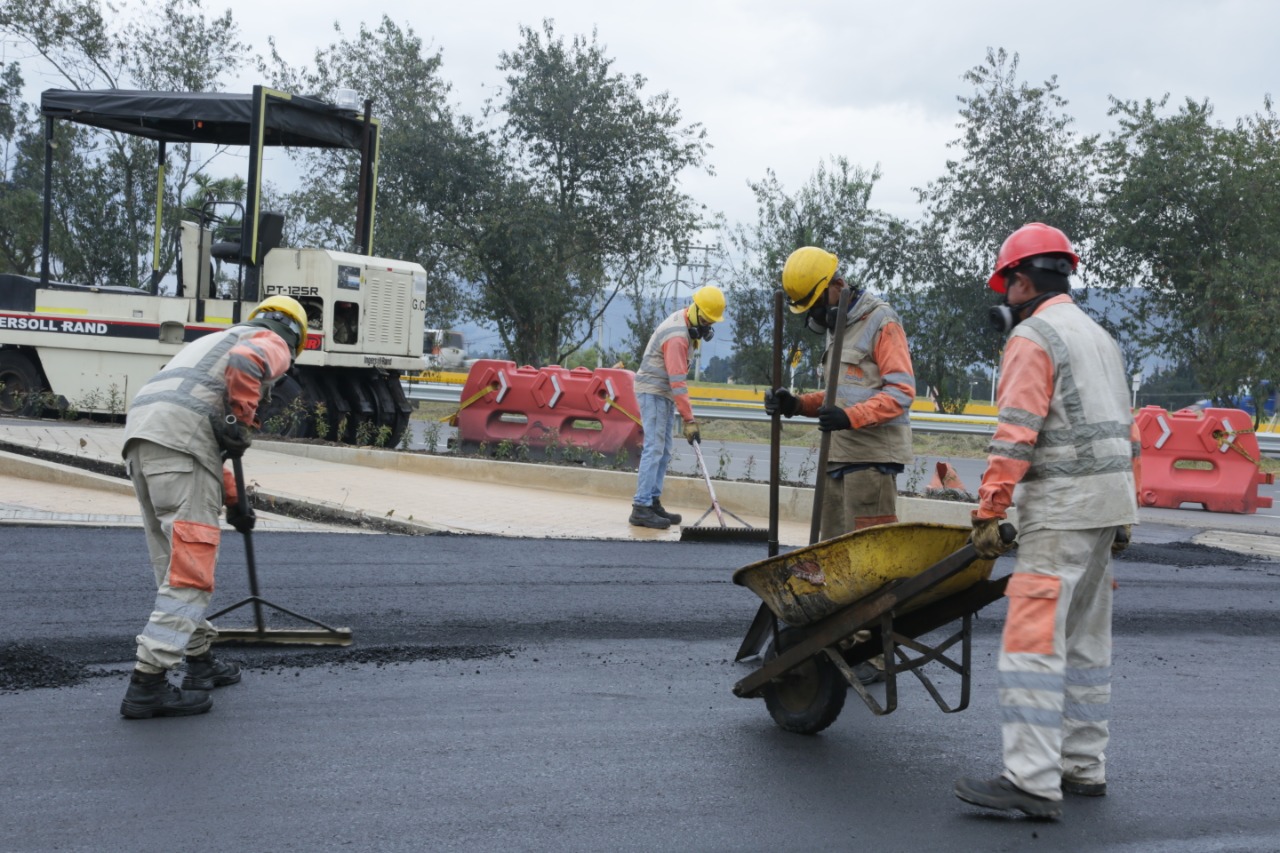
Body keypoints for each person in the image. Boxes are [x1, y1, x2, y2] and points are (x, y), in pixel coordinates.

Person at [953, 223, 1141, 820]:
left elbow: (1015, 433)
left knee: (1032, 643)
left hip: (1060, 514)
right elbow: (1128, 432)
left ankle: (1031, 779)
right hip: (1107, 510)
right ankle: (1083, 765)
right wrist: (1126, 506)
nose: (1004, 299)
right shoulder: (1098, 337)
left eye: (1006, 286)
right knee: (1087, 642)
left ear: (1023, 280)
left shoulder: (1034, 337)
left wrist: (989, 508)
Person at [118, 295, 309, 719]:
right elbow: (247, 362)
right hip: (179, 446)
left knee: (172, 563)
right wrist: (244, 420)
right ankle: (147, 682)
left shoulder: (213, 341)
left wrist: (235, 501)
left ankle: (200, 662)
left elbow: (201, 443)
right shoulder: (269, 340)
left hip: (145, 440)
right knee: (190, 573)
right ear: (295, 336)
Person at [764, 246, 916, 537]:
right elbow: (841, 395)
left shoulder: (882, 321)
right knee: (832, 551)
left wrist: (849, 417)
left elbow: (901, 392)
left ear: (838, 285)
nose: (816, 314)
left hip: (871, 461)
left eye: (818, 304)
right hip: (835, 457)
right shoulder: (839, 328)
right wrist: (796, 404)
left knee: (870, 551)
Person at [629, 284, 726, 529]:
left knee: (664, 450)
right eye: (705, 320)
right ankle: (641, 507)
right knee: (654, 448)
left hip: (663, 394)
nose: (707, 326)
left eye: (710, 322)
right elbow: (678, 382)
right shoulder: (677, 337)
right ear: (695, 311)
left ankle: (652, 501)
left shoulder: (689, 330)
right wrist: (689, 419)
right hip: (653, 392)